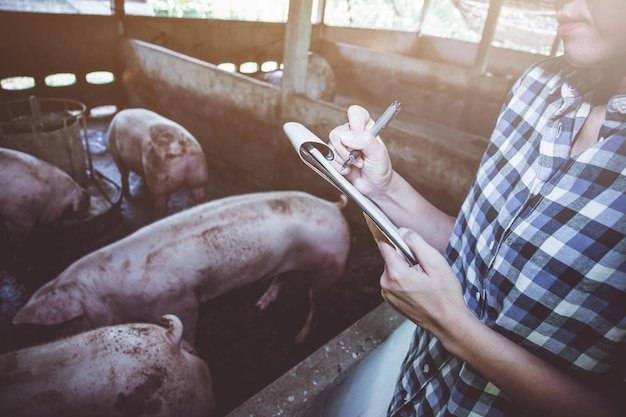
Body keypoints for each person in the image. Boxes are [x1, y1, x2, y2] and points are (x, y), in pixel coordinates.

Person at [327, 0, 625, 416]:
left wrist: (454, 327)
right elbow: (478, 251)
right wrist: (385, 187)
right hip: (417, 394)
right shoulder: (537, 87)